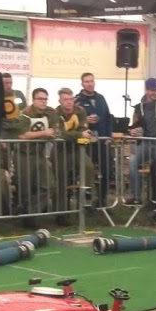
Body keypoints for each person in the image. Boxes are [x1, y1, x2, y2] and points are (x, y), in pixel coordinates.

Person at [13, 87, 62, 223]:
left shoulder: (51, 112)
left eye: (45, 99)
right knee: (25, 189)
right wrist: (44, 133)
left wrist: (54, 131)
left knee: (49, 185)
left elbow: (56, 128)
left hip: (40, 155)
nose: (43, 101)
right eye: (40, 99)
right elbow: (22, 135)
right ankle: (24, 217)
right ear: (33, 100)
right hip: (23, 155)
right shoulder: (26, 113)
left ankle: (32, 213)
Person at [73, 72, 114, 204]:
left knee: (107, 170)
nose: (89, 84)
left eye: (91, 81)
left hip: (102, 141)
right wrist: (85, 120)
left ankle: (101, 200)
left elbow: (108, 117)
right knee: (86, 170)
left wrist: (108, 136)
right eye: (86, 81)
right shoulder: (77, 100)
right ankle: (85, 201)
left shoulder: (101, 98)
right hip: (86, 143)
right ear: (82, 84)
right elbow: (73, 121)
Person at [57, 88, 95, 216]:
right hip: (60, 150)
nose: (69, 102)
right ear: (60, 101)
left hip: (78, 148)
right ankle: (61, 212)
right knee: (61, 177)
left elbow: (85, 130)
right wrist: (78, 134)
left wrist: (74, 134)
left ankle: (87, 199)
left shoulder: (80, 111)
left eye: (71, 99)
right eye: (65, 99)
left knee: (88, 166)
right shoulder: (55, 113)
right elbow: (61, 134)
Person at [127, 77, 156, 206]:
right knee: (132, 161)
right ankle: (135, 196)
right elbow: (135, 124)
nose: (155, 93)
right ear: (146, 90)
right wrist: (132, 131)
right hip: (145, 142)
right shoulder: (139, 107)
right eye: (152, 90)